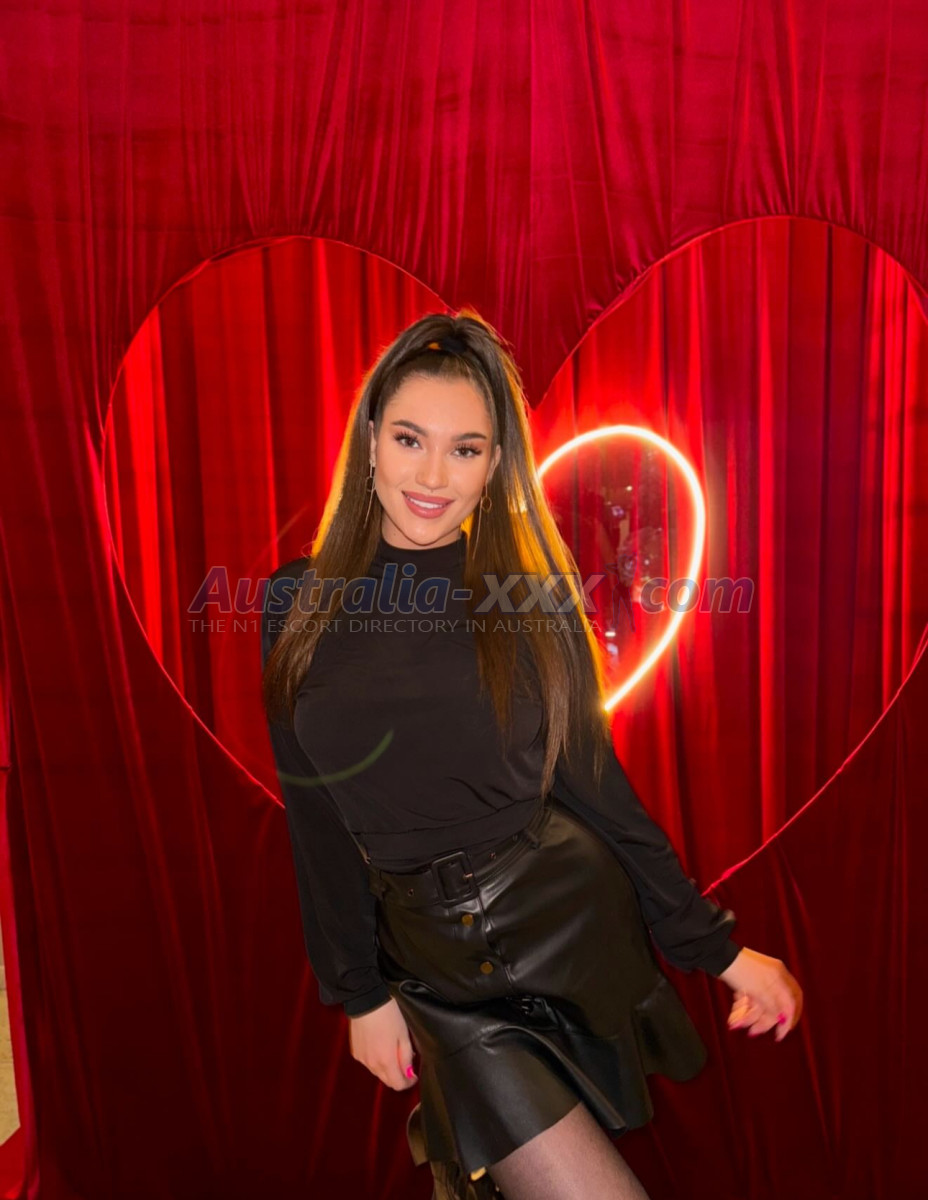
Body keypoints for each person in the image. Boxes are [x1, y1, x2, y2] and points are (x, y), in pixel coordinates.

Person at [260, 310, 803, 1200]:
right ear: (371, 440)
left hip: (563, 926)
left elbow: (597, 789)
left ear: (495, 465)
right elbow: (314, 814)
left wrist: (718, 949)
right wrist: (357, 992)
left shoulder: (530, 599)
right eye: (410, 439)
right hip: (428, 962)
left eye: (465, 450)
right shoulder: (295, 603)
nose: (432, 476)